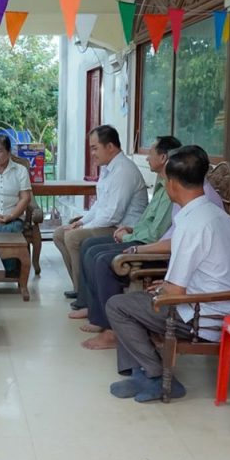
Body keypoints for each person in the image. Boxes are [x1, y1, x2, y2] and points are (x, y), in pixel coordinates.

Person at [106, 145, 230, 402]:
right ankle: (141, 374)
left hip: (206, 317)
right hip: (223, 307)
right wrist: (166, 285)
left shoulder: (192, 223)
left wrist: (164, 288)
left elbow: (175, 291)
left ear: (172, 184)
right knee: (137, 299)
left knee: (118, 306)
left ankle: (157, 377)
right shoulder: (216, 214)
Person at [70, 136, 180, 349]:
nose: (147, 158)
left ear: (164, 158)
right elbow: (147, 221)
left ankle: (110, 329)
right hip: (138, 235)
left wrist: (128, 237)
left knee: (102, 259)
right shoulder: (161, 184)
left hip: (151, 247)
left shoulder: (172, 189)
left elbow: (156, 234)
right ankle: (95, 309)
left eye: (151, 153)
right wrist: (131, 230)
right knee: (90, 247)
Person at [53, 125, 148, 297]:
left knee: (73, 237)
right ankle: (80, 288)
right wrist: (80, 222)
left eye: (95, 148)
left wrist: (82, 229)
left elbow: (113, 215)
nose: (92, 153)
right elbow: (100, 204)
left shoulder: (123, 170)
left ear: (110, 146)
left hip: (122, 229)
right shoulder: (108, 168)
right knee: (60, 233)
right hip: (110, 224)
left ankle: (85, 294)